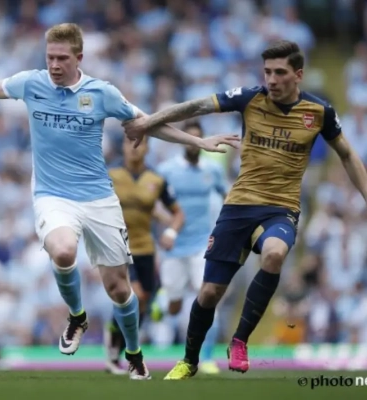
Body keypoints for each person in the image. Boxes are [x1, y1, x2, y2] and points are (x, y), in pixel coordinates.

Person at [0, 23, 238, 380]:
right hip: (52, 194)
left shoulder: (101, 93)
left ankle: (133, 352)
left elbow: (147, 123)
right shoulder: (31, 83)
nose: (54, 65)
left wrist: (198, 143)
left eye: (62, 58)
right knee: (64, 251)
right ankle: (77, 316)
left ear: (79, 57)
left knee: (120, 289)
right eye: (50, 57)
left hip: (98, 199)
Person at [123, 40, 367, 379]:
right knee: (210, 293)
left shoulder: (319, 112)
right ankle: (190, 360)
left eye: (280, 72)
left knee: (274, 254)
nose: (272, 80)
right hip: (238, 207)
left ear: (298, 75)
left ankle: (239, 340)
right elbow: (196, 106)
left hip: (281, 209)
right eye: (267, 72)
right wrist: (148, 122)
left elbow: (347, 154)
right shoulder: (249, 98)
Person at [104, 135, 184, 375]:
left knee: (142, 303)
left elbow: (177, 213)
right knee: (135, 296)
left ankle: (115, 348)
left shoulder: (156, 179)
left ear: (148, 148)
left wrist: (171, 231)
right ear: (123, 146)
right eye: (129, 143)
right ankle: (129, 353)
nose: (134, 148)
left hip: (146, 249)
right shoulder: (111, 175)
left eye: (139, 143)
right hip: (119, 247)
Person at [156, 120, 228, 375]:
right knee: (174, 306)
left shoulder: (212, 170)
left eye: (199, 138)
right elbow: (152, 203)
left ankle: (206, 357)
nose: (195, 144)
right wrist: (169, 226)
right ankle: (162, 301)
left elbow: (227, 197)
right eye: (191, 139)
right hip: (175, 246)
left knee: (208, 296)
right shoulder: (167, 170)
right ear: (184, 141)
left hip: (202, 245)